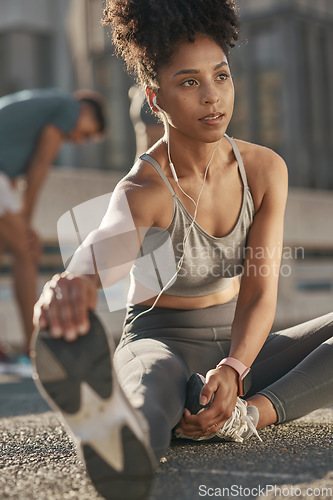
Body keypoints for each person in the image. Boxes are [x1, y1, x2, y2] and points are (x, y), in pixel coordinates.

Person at [31, 1, 333, 499]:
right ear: (156, 98)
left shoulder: (263, 170)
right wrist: (72, 285)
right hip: (159, 342)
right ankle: (116, 436)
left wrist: (235, 370)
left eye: (221, 76)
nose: (213, 97)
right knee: (149, 405)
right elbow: (103, 246)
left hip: (241, 348)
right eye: (190, 82)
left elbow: (259, 293)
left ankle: (241, 416)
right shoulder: (144, 189)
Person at [0, 88, 107, 358]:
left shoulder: (47, 105)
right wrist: (25, 222)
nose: (80, 141)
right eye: (85, 134)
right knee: (27, 251)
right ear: (83, 112)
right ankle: (33, 350)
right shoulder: (69, 108)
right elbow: (40, 165)